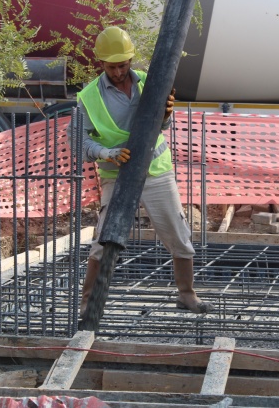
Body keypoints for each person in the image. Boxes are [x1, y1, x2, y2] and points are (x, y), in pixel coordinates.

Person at [71, 26, 214, 316]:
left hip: (156, 171)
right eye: (112, 66)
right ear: (102, 63)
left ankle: (186, 295)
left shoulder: (150, 82)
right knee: (103, 240)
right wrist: (107, 153)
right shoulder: (88, 97)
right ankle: (88, 304)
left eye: (123, 64)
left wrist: (166, 115)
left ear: (130, 60)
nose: (119, 71)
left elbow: (161, 128)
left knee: (178, 234)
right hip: (117, 175)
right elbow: (79, 143)